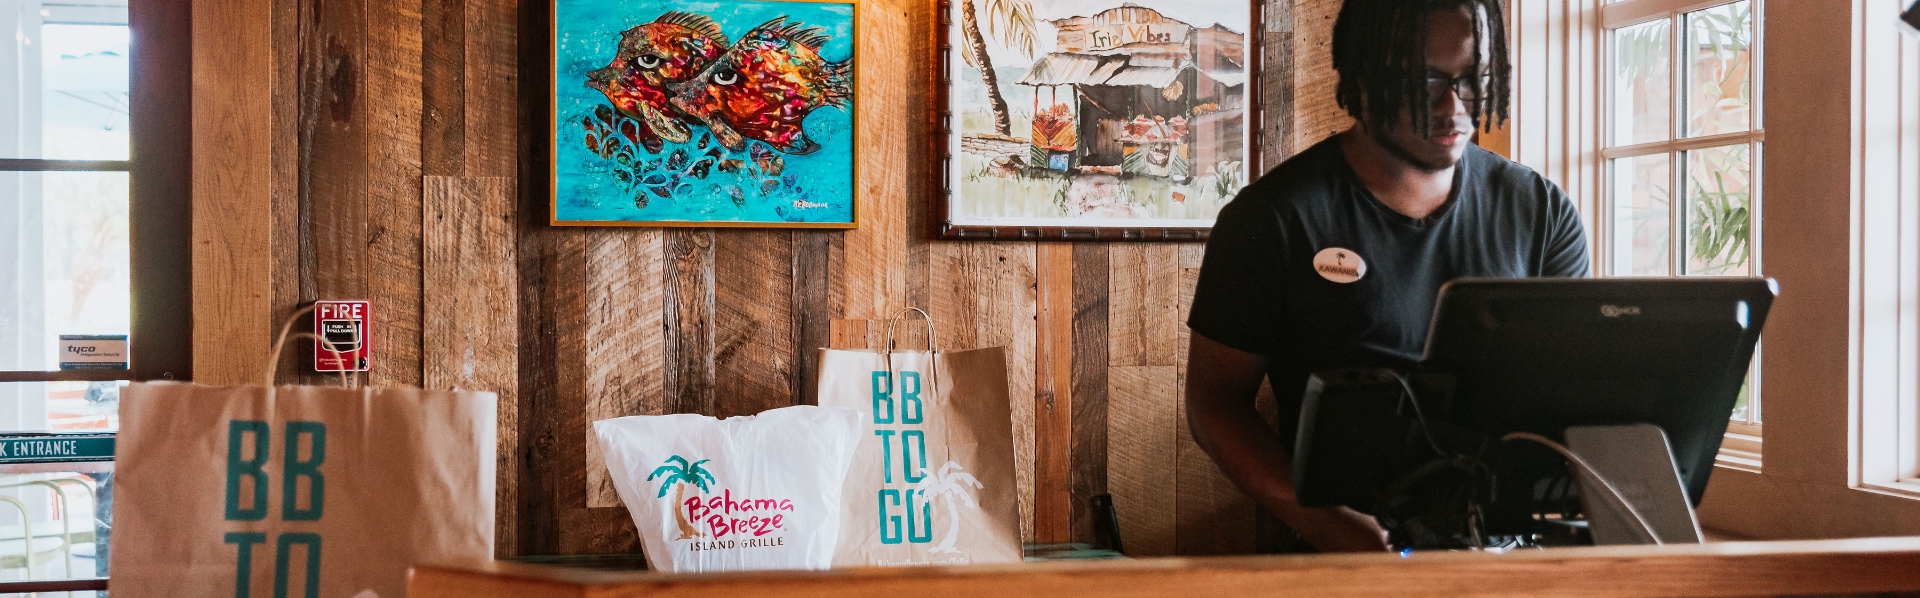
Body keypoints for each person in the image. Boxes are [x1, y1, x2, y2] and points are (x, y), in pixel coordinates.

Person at [1184, 0, 1589, 553]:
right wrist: (1334, 526)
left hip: (1508, 561)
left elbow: (1569, 397)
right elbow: (1215, 407)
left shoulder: (1541, 213)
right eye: (1425, 79)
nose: (1454, 105)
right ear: (1363, 75)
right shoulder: (1272, 220)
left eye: (1473, 78)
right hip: (1343, 564)